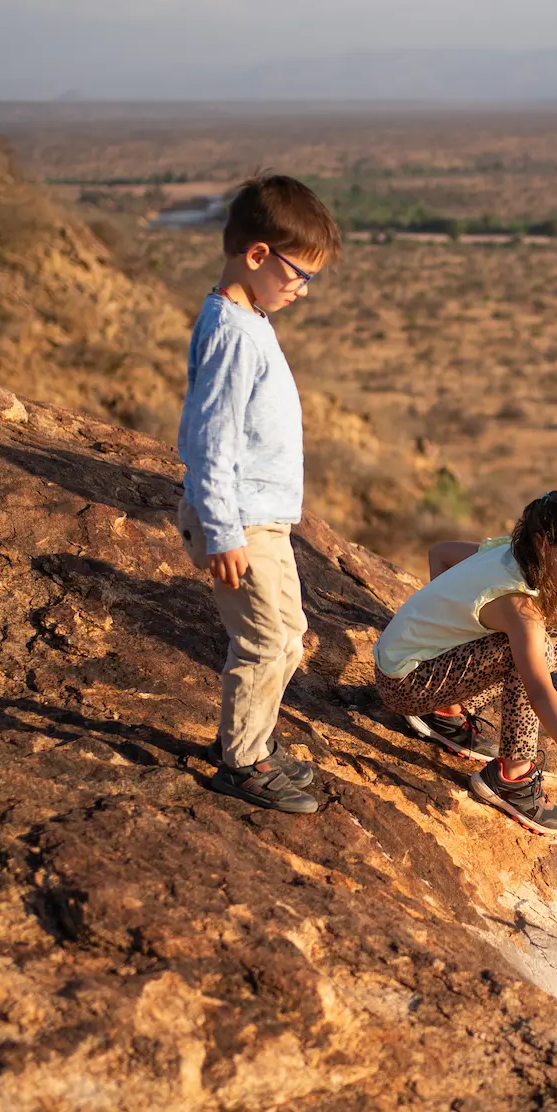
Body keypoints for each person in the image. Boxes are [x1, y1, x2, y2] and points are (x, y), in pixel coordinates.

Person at [176, 175, 343, 814]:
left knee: (290, 633)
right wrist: (222, 532)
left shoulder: (251, 317)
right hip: (240, 522)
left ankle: (254, 744)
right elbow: (210, 438)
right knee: (265, 641)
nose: (303, 289)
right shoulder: (232, 332)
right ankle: (242, 762)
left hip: (262, 519)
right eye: (300, 274)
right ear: (257, 255)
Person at [375, 488, 557, 837]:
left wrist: (446, 621)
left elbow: (442, 553)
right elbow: (539, 691)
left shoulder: (508, 553)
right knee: (532, 651)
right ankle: (510, 777)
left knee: (553, 644)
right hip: (408, 687)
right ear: (543, 544)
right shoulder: (519, 606)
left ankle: (445, 711)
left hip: (409, 666)